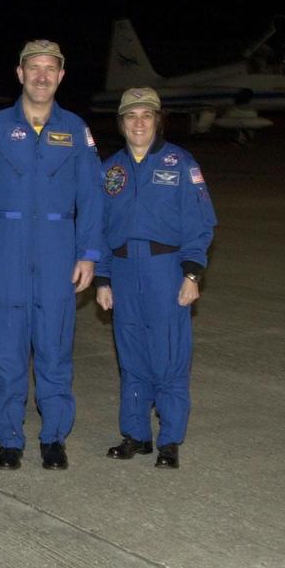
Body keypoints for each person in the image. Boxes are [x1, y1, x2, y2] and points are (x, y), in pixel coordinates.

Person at [0, 41, 104, 471]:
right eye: (34, 68)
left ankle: (53, 438)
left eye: (51, 69)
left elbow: (92, 197)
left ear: (61, 75)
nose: (42, 76)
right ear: (20, 73)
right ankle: (9, 439)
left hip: (56, 254)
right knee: (8, 353)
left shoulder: (75, 129)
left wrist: (88, 254)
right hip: (5, 252)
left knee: (54, 351)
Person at [94, 87, 217, 468]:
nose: (138, 123)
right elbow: (98, 227)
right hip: (124, 270)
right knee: (131, 357)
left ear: (158, 120)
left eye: (146, 115)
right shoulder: (109, 169)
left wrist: (192, 273)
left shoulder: (181, 163)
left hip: (166, 269)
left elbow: (201, 224)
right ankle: (136, 434)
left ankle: (169, 441)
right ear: (121, 123)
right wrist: (102, 278)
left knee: (168, 357)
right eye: (131, 116)